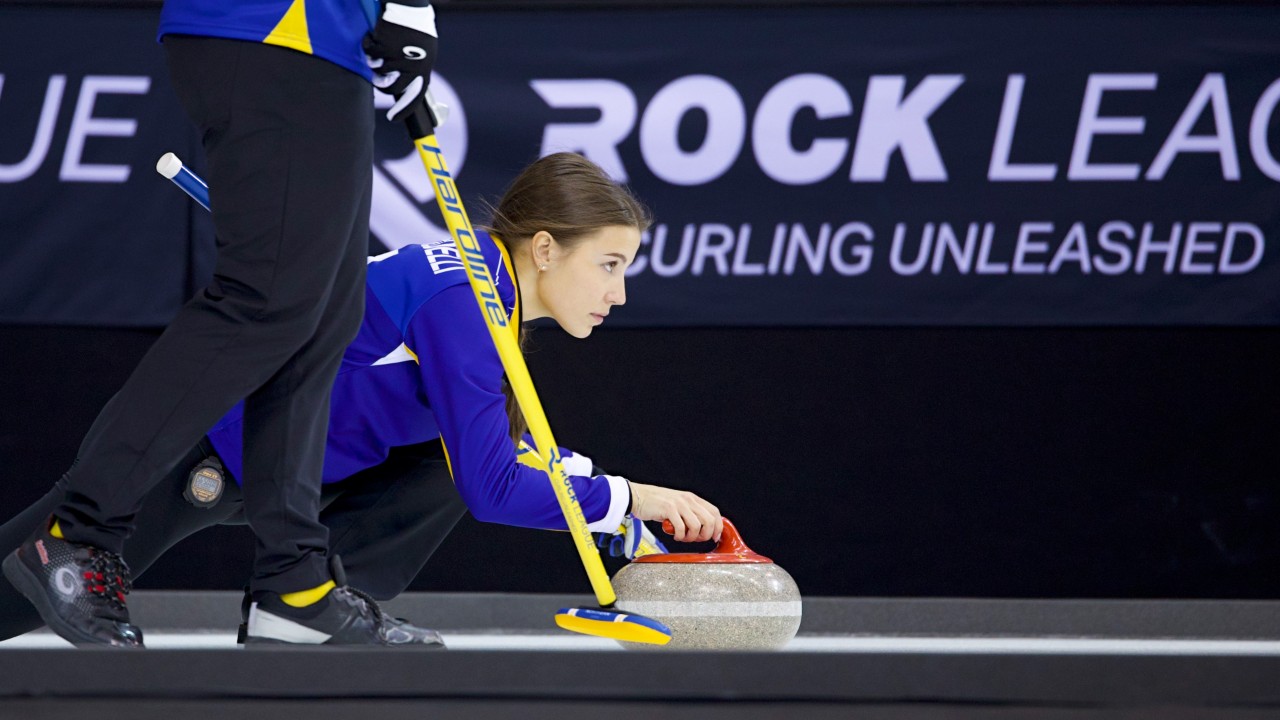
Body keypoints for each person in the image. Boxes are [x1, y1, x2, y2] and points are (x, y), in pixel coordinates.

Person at [0, 152, 723, 646]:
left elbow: (504, 451)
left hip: (287, 472)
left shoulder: (483, 296)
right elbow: (494, 488)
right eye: (609, 264)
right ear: (543, 249)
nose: (618, 292)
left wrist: (615, 508)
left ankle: (314, 601)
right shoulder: (464, 301)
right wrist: (628, 500)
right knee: (23, 580)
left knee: (458, 461)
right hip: (213, 447)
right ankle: (300, 609)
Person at [2, 0, 441, 647]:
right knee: (265, 302)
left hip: (331, 42)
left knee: (322, 320)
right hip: (275, 26)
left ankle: (296, 586)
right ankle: (77, 532)